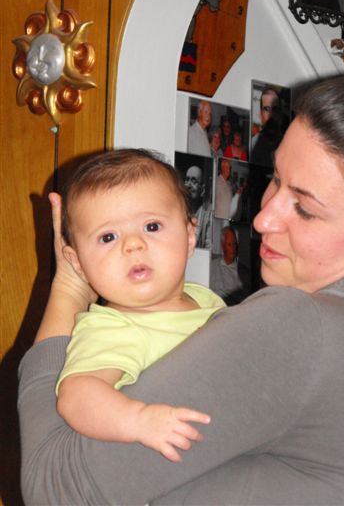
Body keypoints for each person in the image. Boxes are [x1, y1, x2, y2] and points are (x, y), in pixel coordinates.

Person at [19, 72, 344, 506]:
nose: (262, 220)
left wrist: (71, 287)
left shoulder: (303, 327)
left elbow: (54, 488)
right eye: (275, 179)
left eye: (304, 208)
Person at [54, 149, 225, 462]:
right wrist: (139, 420)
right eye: (108, 237)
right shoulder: (112, 329)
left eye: (152, 227)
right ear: (77, 263)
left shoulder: (204, 298)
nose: (133, 244)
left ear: (190, 236)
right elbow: (77, 395)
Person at [210, 226, 250, 305]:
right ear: (223, 245)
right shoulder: (211, 266)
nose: (233, 249)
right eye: (229, 244)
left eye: (234, 244)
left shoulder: (242, 271)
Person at [251, 87, 286, 167]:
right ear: (261, 115)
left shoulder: (289, 146)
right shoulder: (252, 145)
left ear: (280, 115)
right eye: (267, 109)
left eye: (275, 109)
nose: (271, 115)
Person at [184, 163, 212, 249]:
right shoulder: (177, 211)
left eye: (194, 181)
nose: (188, 185)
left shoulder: (208, 215)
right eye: (187, 180)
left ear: (202, 190)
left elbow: (208, 248)